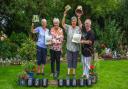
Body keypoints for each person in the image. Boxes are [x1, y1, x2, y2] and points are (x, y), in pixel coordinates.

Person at [62, 10, 81, 77]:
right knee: (69, 59)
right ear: (71, 22)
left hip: (76, 47)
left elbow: (81, 26)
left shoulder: (78, 28)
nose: (73, 22)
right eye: (72, 21)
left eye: (75, 21)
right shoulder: (68, 27)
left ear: (76, 22)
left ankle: (73, 73)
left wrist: (78, 18)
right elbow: (63, 24)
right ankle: (68, 72)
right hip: (69, 47)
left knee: (75, 60)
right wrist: (64, 16)